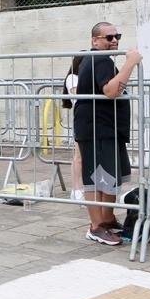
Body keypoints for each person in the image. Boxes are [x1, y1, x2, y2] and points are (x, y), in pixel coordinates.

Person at [74, 22, 142, 246]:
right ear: (95, 41)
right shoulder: (99, 59)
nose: (114, 41)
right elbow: (111, 91)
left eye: (117, 36)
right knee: (97, 179)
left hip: (105, 129)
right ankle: (96, 226)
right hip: (97, 129)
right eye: (108, 37)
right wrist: (130, 63)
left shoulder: (100, 60)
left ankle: (107, 219)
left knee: (109, 177)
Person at [62, 53, 87, 200]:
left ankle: (83, 187)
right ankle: (76, 189)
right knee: (79, 156)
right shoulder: (73, 77)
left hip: (89, 118)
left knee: (85, 156)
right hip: (81, 118)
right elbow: (77, 94)